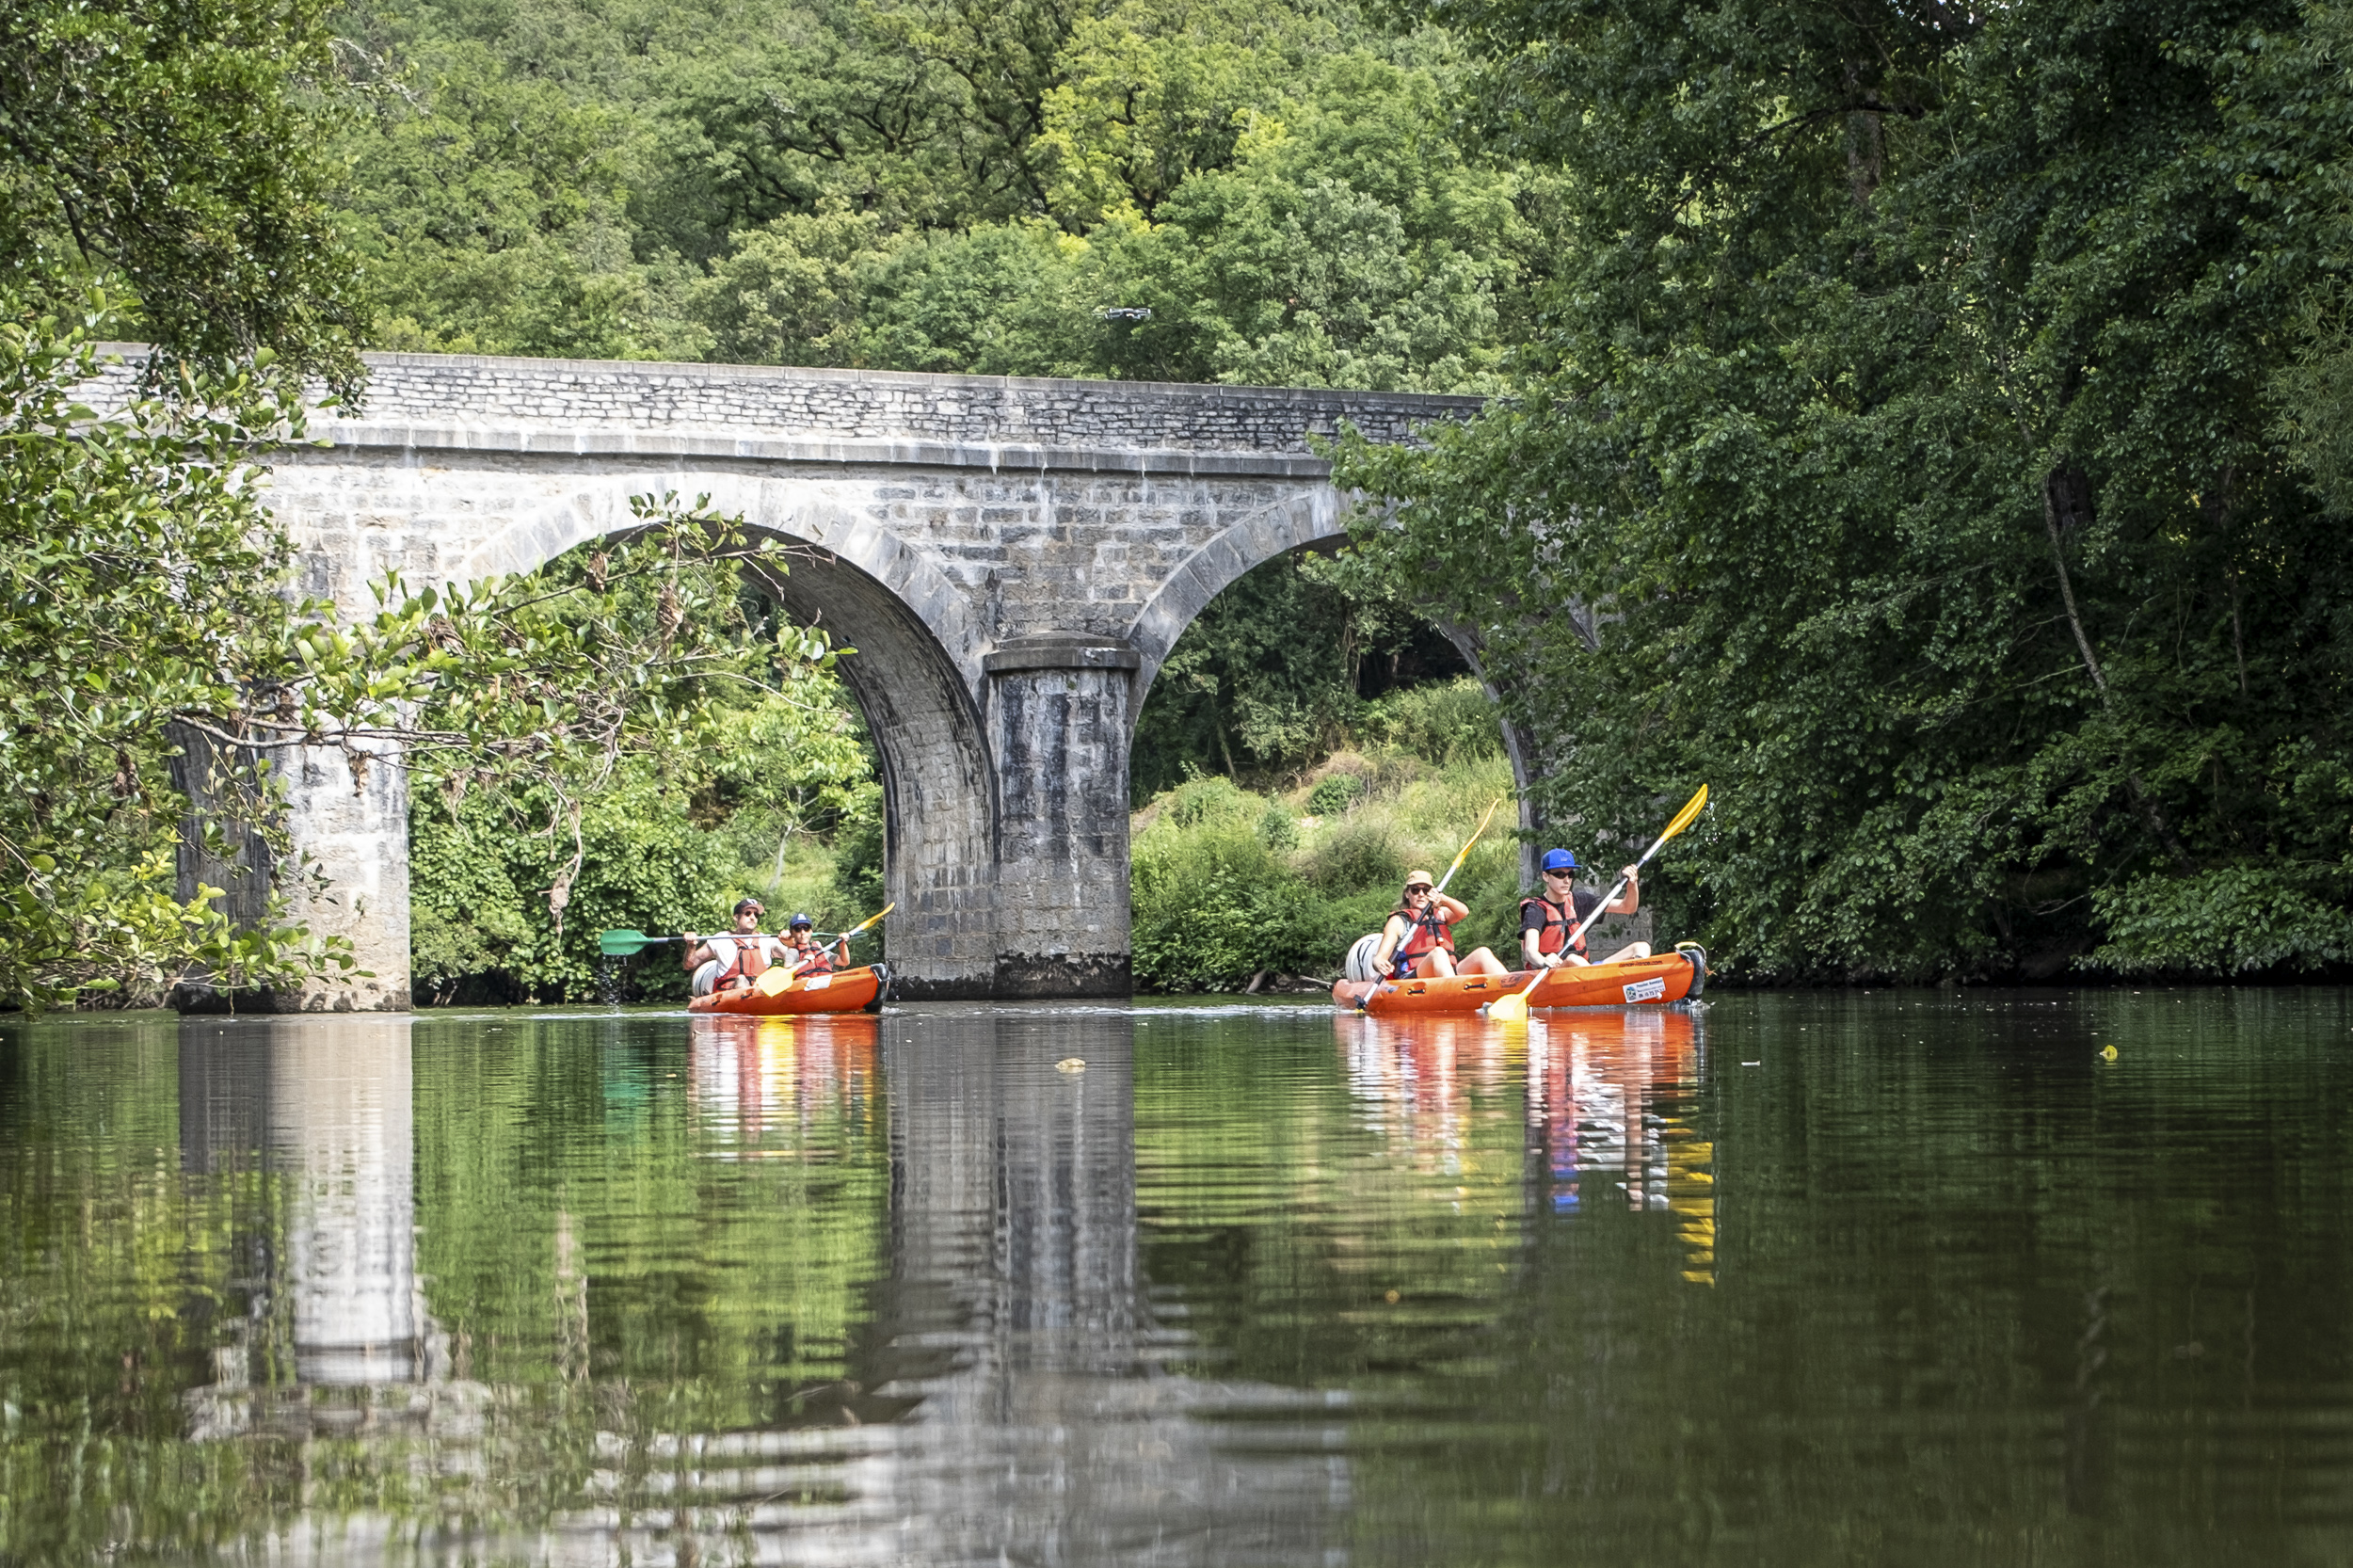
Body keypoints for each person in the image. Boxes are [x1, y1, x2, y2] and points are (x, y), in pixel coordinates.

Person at [1520, 850, 1651, 968]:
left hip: (1586, 971)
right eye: (1560, 875)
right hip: (1553, 975)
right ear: (1546, 876)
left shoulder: (1579, 900)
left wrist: (1632, 884)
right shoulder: (1536, 909)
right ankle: (1600, 979)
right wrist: (1544, 961)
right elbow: (1530, 951)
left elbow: (1627, 907)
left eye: (1570, 874)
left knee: (1641, 947)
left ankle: (1633, 980)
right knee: (1572, 959)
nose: (1567, 880)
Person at [1372, 871, 1512, 981]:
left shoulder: (1440, 914)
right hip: (1413, 975)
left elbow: (1463, 912)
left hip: (1448, 972)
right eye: (1415, 890)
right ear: (1407, 894)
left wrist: (1442, 898)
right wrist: (1379, 963)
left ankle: (1511, 988)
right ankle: (1456, 994)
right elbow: (1380, 957)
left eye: (1426, 890)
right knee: (1438, 953)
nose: (1421, 895)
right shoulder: (1398, 921)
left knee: (1483, 953)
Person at [682, 898, 785, 996]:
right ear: (736, 917)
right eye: (747, 913)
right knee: (741, 979)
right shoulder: (720, 939)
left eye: (756, 914)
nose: (752, 917)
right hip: (729, 993)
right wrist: (691, 945)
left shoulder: (766, 940)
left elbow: (790, 955)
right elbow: (689, 964)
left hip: (760, 992)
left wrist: (789, 942)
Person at [782, 912, 848, 977]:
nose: (802, 932)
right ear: (792, 933)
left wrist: (842, 943)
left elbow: (844, 961)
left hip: (826, 981)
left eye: (806, 928)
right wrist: (803, 961)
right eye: (798, 929)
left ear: (811, 931)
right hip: (805, 982)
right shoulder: (793, 952)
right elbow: (787, 971)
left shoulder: (820, 950)